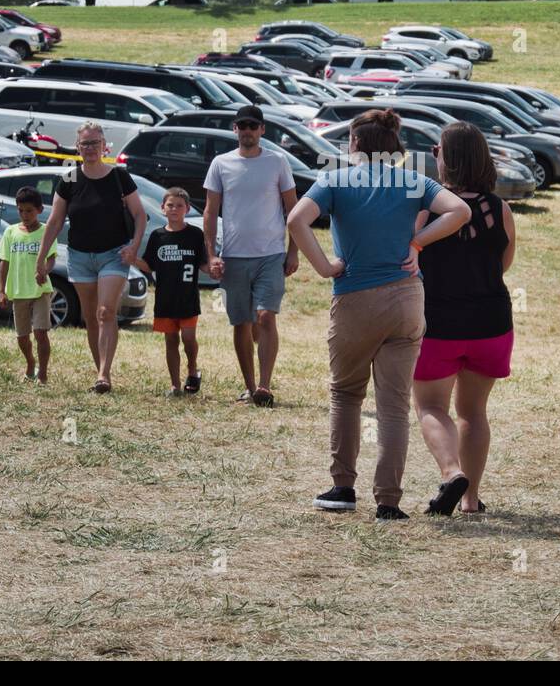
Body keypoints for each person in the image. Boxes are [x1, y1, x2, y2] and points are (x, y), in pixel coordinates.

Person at [287, 109, 470, 522]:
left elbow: (296, 219)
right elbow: (460, 211)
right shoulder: (412, 181)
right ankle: (388, 500)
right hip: (407, 298)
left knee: (346, 393)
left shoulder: (334, 179)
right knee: (393, 405)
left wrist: (323, 266)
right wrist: (418, 243)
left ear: (354, 142)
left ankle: (343, 487)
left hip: (355, 296)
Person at [412, 123, 516, 516]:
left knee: (430, 407)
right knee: (473, 411)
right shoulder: (500, 208)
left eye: (437, 149)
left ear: (446, 157)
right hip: (491, 323)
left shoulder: (428, 207)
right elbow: (503, 265)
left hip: (438, 323)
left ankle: (451, 471)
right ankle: (471, 500)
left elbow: (412, 258)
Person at [37, 122, 146, 394]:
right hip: (80, 255)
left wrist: (133, 246)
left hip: (114, 254)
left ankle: (104, 374)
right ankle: (101, 372)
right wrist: (42, 257)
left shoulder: (119, 177)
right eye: (85, 144)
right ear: (77, 147)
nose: (90, 148)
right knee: (89, 316)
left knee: (105, 311)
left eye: (95, 143)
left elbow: (140, 215)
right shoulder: (71, 178)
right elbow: (55, 220)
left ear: (104, 146)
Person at [203, 105, 300, 407]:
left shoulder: (277, 162)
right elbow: (210, 210)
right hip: (233, 256)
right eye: (242, 125)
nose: (247, 130)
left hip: (271, 254)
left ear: (262, 130)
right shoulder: (221, 164)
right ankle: (248, 385)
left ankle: (264, 385)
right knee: (242, 323)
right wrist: (211, 255)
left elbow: (293, 209)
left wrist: (293, 251)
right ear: (235, 129)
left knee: (265, 316)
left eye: (252, 126)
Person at [135, 187, 210, 397]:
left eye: (179, 205)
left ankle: (193, 370)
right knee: (170, 341)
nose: (174, 209)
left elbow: (203, 264)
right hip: (165, 300)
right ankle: (175, 385)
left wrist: (215, 268)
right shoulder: (158, 236)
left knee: (188, 339)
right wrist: (131, 258)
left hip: (188, 299)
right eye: (170, 205)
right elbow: (149, 266)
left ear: (187, 208)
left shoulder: (195, 235)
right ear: (162, 208)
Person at [0, 186, 57, 384]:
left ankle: (43, 373)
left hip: (40, 291)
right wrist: (1, 291)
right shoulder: (10, 232)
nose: (25, 215)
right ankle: (31, 363)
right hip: (19, 291)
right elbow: (4, 263)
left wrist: (44, 271)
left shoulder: (47, 231)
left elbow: (51, 259)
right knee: (22, 336)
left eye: (29, 210)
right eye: (21, 210)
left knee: (40, 332)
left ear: (39, 209)